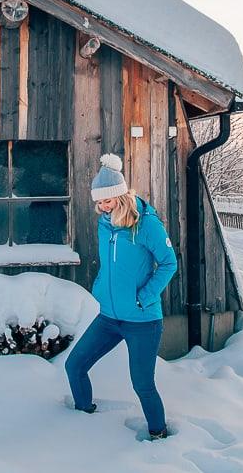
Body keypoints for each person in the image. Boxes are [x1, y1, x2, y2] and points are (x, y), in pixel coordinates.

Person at [65, 153, 178, 441]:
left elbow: (169, 263)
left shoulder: (146, 224)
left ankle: (159, 435)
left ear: (121, 196)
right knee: (75, 365)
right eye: (98, 202)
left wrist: (145, 296)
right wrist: (101, 287)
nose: (101, 207)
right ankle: (82, 418)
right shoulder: (105, 223)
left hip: (142, 319)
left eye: (107, 201)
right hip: (109, 317)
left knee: (142, 383)